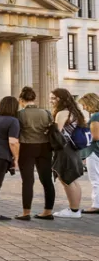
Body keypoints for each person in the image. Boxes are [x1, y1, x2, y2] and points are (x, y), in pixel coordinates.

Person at [15, 86, 55, 221]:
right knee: (47, 180)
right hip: (45, 147)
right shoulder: (46, 112)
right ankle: (48, 211)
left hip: (27, 147)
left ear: (21, 100)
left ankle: (26, 212)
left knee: (28, 181)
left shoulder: (20, 114)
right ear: (34, 98)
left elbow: (17, 132)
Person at [51, 88, 86, 218]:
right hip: (73, 149)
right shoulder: (74, 112)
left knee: (66, 179)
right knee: (73, 180)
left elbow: (57, 133)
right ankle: (75, 209)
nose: (51, 101)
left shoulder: (62, 113)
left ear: (61, 99)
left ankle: (73, 210)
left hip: (64, 149)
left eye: (54, 98)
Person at [79, 93, 99, 214]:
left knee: (95, 178)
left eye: (84, 105)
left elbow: (95, 136)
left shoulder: (95, 116)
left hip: (94, 151)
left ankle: (96, 204)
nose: (84, 108)